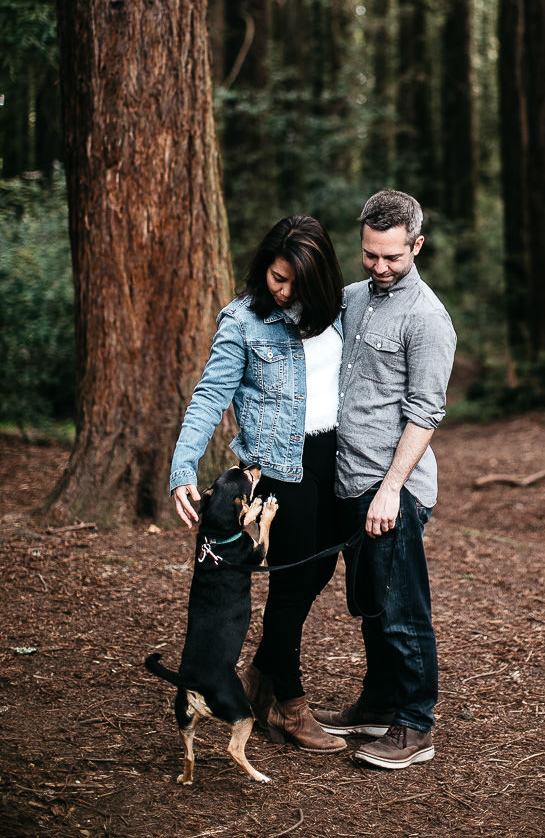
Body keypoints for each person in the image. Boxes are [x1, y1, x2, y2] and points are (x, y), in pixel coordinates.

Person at [170, 215, 347, 754]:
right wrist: (183, 468)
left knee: (318, 571)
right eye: (276, 276)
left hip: (336, 459)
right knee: (292, 587)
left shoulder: (340, 312)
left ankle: (260, 673)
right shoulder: (243, 319)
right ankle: (290, 705)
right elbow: (209, 395)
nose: (283, 289)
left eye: (295, 281)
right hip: (276, 469)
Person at [313, 189, 457, 769]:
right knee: (371, 606)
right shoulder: (352, 299)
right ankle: (377, 703)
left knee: (402, 610)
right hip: (349, 483)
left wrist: (391, 490)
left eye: (392, 258)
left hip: (391, 489)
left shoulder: (427, 318)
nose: (379, 267)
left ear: (416, 246)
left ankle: (415, 724)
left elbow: (426, 412)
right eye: (370, 255)